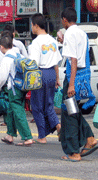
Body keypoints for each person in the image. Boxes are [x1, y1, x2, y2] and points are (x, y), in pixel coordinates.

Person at [59, 7, 98, 162]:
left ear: (64, 20)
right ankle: (89, 137)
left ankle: (74, 151)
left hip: (73, 77)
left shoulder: (69, 33)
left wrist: (71, 84)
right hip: (83, 75)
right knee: (73, 111)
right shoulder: (82, 33)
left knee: (68, 115)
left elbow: (73, 60)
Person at [0, 36, 33, 146]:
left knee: (18, 112)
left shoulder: (6, 59)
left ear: (1, 47)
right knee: (11, 110)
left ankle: (27, 137)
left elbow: (1, 78)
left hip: (14, 89)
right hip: (22, 87)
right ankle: (10, 135)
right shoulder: (18, 54)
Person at [28, 13, 62, 144]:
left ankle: (42, 136)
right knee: (49, 105)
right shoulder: (52, 40)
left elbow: (34, 63)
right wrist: (57, 78)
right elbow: (56, 63)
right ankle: (58, 126)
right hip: (52, 74)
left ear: (36, 25)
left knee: (36, 105)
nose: (31, 27)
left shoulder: (36, 42)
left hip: (39, 73)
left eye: (32, 25)